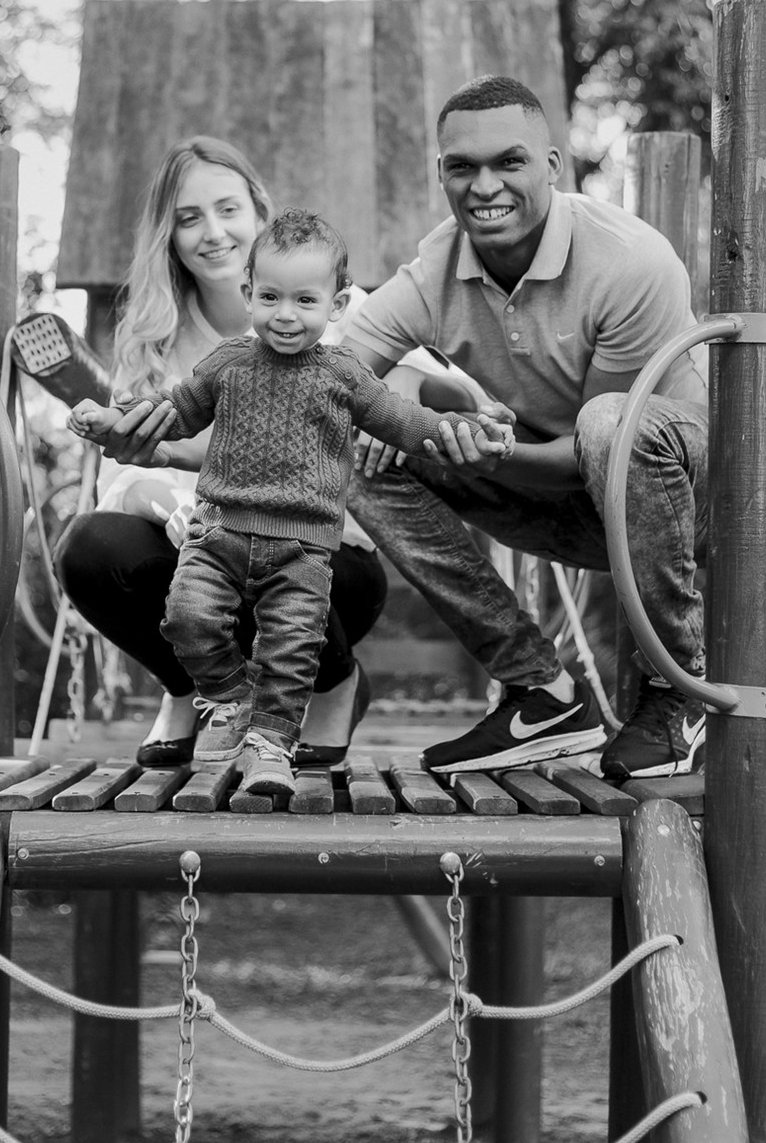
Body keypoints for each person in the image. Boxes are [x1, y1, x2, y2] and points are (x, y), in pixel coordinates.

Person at [69, 209, 513, 799]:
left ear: (337, 305)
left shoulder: (344, 375)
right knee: (186, 618)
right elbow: (171, 412)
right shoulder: (228, 364)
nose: (285, 315)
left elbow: (406, 423)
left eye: (305, 301)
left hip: (303, 548)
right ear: (249, 292)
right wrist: (109, 420)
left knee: (292, 651)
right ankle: (231, 697)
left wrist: (464, 430)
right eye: (271, 297)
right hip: (220, 532)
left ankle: (270, 751)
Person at [343, 74, 709, 781]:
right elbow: (329, 372)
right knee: (358, 449)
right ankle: (540, 689)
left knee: (610, 424)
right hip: (566, 503)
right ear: (440, 174)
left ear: (551, 166)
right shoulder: (434, 268)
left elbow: (596, 452)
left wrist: (472, 446)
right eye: (462, 167)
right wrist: (396, 399)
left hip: (686, 502)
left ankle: (678, 693)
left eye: (508, 162)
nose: (484, 186)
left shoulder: (628, 262)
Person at [53, 137, 387, 769]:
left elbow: (428, 380)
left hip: (328, 562)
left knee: (262, 534)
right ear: (170, 237)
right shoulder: (154, 337)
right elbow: (121, 480)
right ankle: (193, 689)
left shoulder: (339, 311)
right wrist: (174, 505)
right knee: (91, 547)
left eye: (227, 208)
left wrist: (465, 410)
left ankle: (332, 678)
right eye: (188, 218)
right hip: (212, 560)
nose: (212, 232)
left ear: (259, 212)